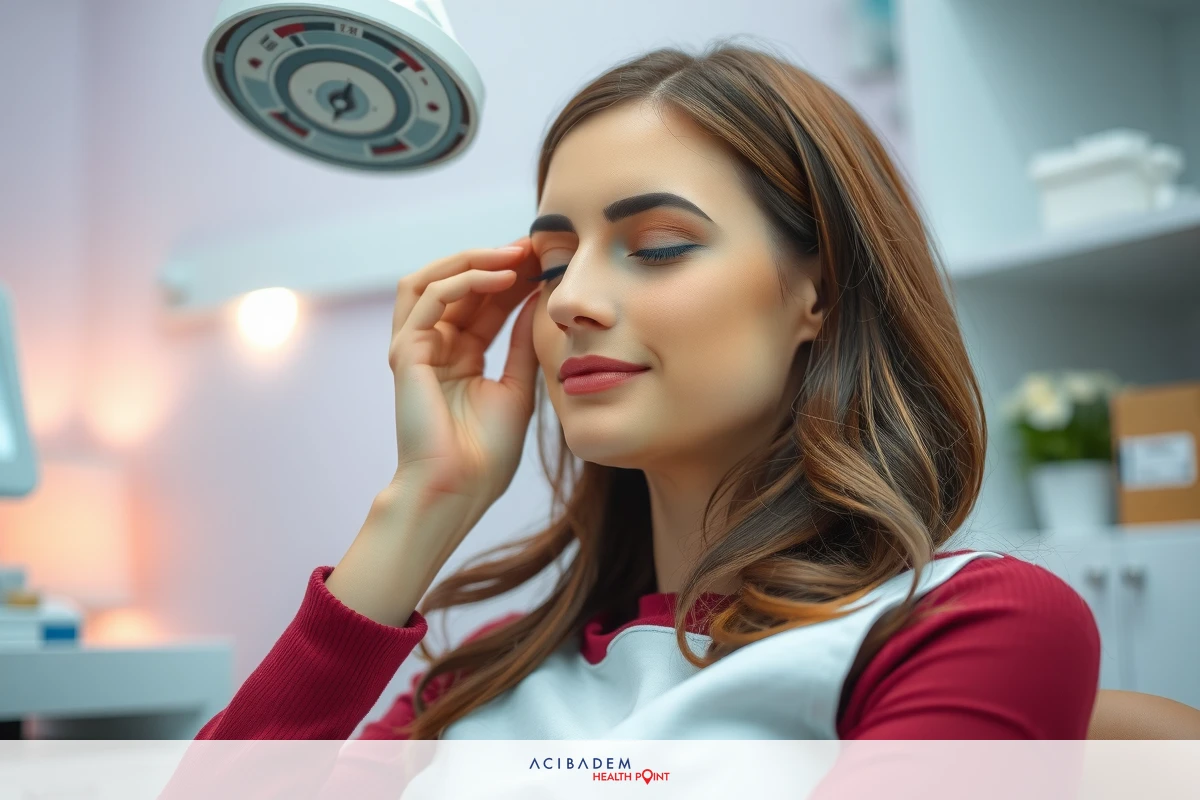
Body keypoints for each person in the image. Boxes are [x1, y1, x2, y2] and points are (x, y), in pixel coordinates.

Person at [194, 41, 1100, 744]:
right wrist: (422, 503)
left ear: (817, 295)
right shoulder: (478, 679)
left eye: (658, 247)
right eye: (554, 263)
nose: (571, 301)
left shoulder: (964, 626)